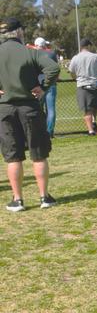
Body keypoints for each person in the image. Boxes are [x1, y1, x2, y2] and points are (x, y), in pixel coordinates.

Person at [0, 17, 60, 210]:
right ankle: (44, 197)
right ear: (19, 32)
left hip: (5, 109)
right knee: (38, 153)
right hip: (30, 108)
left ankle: (17, 200)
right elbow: (53, 68)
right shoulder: (30, 52)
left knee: (13, 156)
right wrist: (43, 87)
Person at [68, 38, 97, 135]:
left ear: (81, 47)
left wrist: (75, 78)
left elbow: (71, 71)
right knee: (95, 107)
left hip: (82, 86)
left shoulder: (75, 58)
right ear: (88, 46)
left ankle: (91, 130)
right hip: (95, 85)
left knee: (87, 110)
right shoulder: (95, 57)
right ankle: (94, 123)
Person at [34, 37, 58, 137]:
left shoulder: (33, 54)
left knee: (38, 109)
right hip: (51, 83)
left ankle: (39, 130)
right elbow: (56, 69)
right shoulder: (52, 54)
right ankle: (49, 132)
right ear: (44, 45)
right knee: (51, 109)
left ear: (36, 45)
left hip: (38, 85)